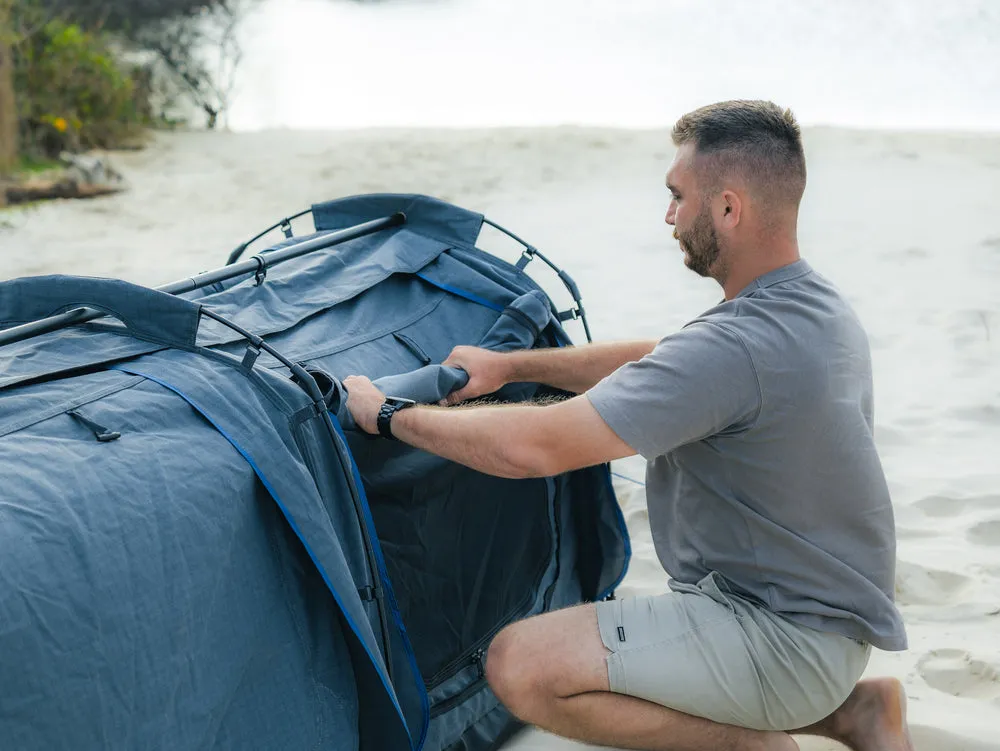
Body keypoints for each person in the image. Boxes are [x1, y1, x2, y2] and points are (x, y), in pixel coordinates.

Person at [345, 100, 914, 751]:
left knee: (519, 665)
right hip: (826, 635)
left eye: (678, 196)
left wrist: (389, 415)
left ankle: (752, 745)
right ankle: (853, 713)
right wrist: (510, 365)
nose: (669, 217)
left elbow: (538, 447)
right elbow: (661, 358)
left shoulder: (739, 346)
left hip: (777, 641)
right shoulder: (810, 306)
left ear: (729, 208)